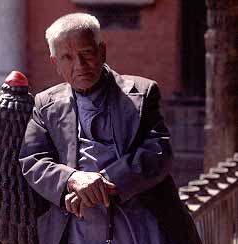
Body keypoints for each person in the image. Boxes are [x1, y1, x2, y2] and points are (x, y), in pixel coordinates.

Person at [19, 13, 201, 244]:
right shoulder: (46, 104)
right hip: (75, 221)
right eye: (67, 57)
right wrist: (73, 179)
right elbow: (33, 160)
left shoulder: (142, 93)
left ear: (102, 51)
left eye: (86, 53)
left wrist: (102, 184)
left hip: (137, 215)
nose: (80, 66)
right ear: (55, 63)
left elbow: (158, 152)